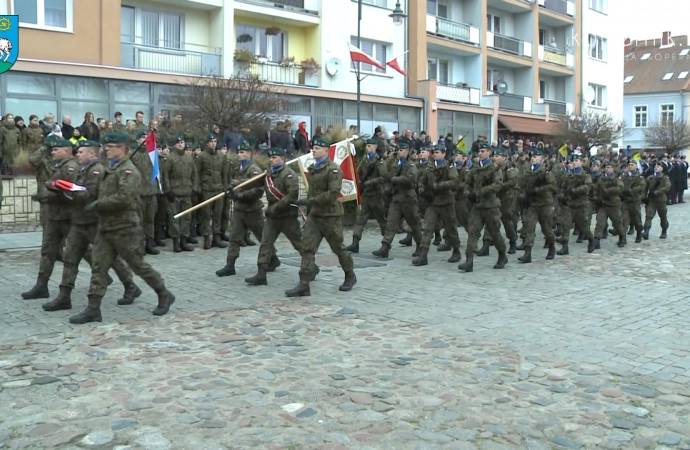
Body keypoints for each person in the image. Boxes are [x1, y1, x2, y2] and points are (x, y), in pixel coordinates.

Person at [69, 132, 176, 325]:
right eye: (106, 146)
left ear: (123, 149)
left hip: (125, 228)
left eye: (111, 146)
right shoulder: (108, 170)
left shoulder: (129, 172)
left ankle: (163, 293)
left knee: (138, 266)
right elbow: (95, 192)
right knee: (98, 267)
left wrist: (99, 204)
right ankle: (93, 308)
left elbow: (124, 198)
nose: (106, 149)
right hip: (105, 227)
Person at [42, 140, 142, 311]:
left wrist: (67, 192)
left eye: (81, 152)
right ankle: (64, 296)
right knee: (70, 258)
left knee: (110, 258)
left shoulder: (97, 170)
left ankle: (130, 285)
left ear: (91, 154)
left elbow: (91, 195)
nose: (77, 155)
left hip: (93, 221)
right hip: (79, 221)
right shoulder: (83, 169)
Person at [285, 137, 356, 297]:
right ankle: (304, 283)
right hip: (315, 216)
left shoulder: (333, 170)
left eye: (317, 148)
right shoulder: (313, 168)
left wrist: (309, 201)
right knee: (307, 248)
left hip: (330, 215)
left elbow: (332, 194)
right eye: (313, 148)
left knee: (338, 248)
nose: (314, 150)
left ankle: (350, 274)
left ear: (326, 150)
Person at [245, 147, 319, 286]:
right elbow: (253, 182)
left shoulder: (289, 174)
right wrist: (234, 185)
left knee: (299, 244)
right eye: (270, 158)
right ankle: (261, 273)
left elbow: (291, 196)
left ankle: (312, 267)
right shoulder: (268, 174)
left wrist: (274, 208)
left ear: (282, 159)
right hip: (273, 218)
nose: (271, 160)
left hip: (287, 217)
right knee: (265, 243)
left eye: (274, 158)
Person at [22, 138, 80, 300]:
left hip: (68, 217)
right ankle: (41, 286)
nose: (52, 152)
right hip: (54, 216)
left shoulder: (71, 167)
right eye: (52, 149)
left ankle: (122, 281)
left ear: (67, 151)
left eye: (56, 149)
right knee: (48, 251)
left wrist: (47, 195)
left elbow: (71, 192)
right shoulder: (57, 166)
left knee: (84, 251)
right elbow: (33, 162)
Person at [216, 142, 278, 277]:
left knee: (262, 237)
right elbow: (237, 183)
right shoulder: (239, 168)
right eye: (238, 152)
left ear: (249, 154)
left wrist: (239, 195)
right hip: (239, 210)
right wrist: (231, 189)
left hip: (252, 210)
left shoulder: (254, 169)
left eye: (242, 152)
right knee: (234, 237)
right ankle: (230, 265)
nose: (239, 154)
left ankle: (273, 258)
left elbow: (257, 190)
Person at [458, 143, 507, 272]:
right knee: (473, 233)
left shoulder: (494, 168)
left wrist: (479, 192)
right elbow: (467, 184)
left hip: (491, 207)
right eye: (479, 151)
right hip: (478, 207)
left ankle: (502, 255)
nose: (480, 153)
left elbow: (497, 186)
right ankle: (469, 261)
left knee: (495, 234)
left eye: (483, 151)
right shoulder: (475, 168)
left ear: (489, 152)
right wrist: (469, 194)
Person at [412, 144, 461, 266]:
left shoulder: (449, 167)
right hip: (433, 202)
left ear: (444, 154)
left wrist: (438, 186)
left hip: (446, 202)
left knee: (451, 229)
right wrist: (423, 191)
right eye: (433, 152)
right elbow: (422, 181)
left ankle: (456, 250)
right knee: (428, 228)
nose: (435, 154)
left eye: (437, 152)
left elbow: (455, 181)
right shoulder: (429, 167)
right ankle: (423, 255)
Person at [345, 137, 389, 253]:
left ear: (375, 147)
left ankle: (386, 244)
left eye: (370, 146)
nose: (367, 148)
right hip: (366, 195)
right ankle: (355, 243)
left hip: (376, 195)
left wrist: (369, 182)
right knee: (360, 219)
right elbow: (358, 173)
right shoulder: (364, 159)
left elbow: (384, 177)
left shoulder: (379, 162)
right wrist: (358, 182)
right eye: (367, 146)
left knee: (381, 220)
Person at [162, 136, 198, 252]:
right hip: (174, 193)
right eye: (178, 143)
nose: (180, 145)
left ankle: (184, 241)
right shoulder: (170, 158)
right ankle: (176, 242)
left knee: (186, 218)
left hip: (187, 192)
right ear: (174, 145)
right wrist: (168, 191)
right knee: (174, 219)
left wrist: (194, 189)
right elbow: (165, 175)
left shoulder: (189, 158)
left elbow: (194, 175)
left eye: (182, 142)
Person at [642, 161, 671, 240]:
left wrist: (656, 192)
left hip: (661, 200)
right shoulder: (650, 178)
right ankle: (646, 231)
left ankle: (664, 231)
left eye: (658, 167)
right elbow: (644, 188)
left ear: (662, 169)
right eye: (655, 166)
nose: (656, 168)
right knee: (648, 216)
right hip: (651, 201)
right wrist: (644, 197)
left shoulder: (665, 178)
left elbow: (667, 187)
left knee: (663, 216)